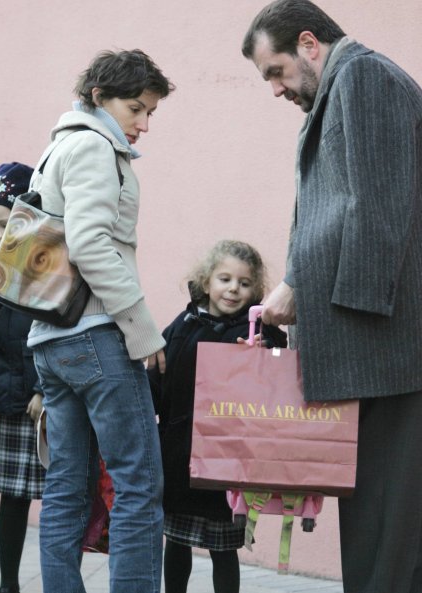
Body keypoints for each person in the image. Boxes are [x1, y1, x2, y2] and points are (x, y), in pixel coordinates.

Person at [241, 2, 422, 592]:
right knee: (376, 517)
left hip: (386, 345)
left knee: (390, 527)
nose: (273, 89)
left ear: (310, 44)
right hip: (373, 346)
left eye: (275, 71)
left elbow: (376, 204)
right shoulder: (347, 83)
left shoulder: (365, 77)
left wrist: (301, 286)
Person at [27, 49, 175, 593]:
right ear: (98, 98)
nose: (142, 123)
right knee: (137, 484)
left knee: (67, 484)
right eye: (136, 108)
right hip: (93, 336)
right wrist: (142, 328)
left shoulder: (59, 144)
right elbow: (89, 243)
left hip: (50, 339)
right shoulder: (93, 145)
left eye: (150, 113)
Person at [148, 239, 287, 593]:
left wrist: (260, 355)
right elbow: (159, 377)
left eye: (243, 283)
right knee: (176, 542)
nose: (233, 289)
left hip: (228, 460)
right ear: (207, 280)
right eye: (225, 279)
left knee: (224, 548)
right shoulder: (184, 323)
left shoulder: (258, 331)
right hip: (179, 453)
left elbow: (276, 374)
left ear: (255, 289)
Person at [0, 162, 45, 593]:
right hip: (12, 397)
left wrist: (46, 388)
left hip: (45, 400)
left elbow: (59, 329)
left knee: (64, 500)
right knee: (13, 496)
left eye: (5, 224)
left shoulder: (48, 266)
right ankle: (8, 584)